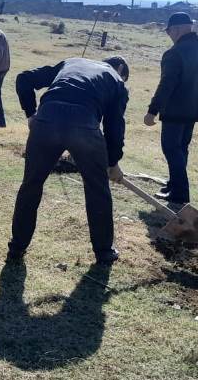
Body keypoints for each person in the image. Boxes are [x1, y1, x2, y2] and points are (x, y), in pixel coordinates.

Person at [9, 56, 130, 265]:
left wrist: (31, 114)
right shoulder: (116, 80)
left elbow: (24, 78)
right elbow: (114, 127)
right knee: (97, 188)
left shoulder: (71, 63)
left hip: (47, 117)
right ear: (119, 69)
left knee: (31, 184)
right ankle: (104, 252)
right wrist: (113, 163)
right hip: (84, 123)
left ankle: (16, 248)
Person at [144, 12, 198, 206]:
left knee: (171, 149)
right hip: (195, 109)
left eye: (169, 31)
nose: (169, 35)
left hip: (175, 111)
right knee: (181, 148)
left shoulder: (174, 53)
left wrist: (152, 111)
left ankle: (180, 194)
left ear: (176, 29)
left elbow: (167, 84)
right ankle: (173, 184)